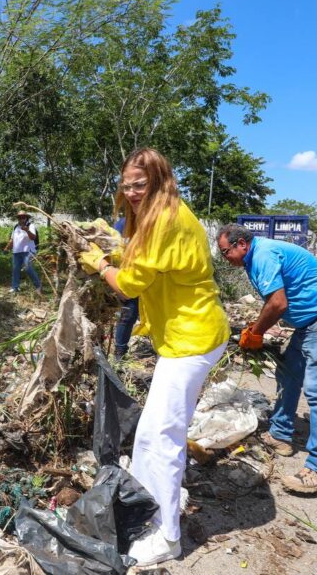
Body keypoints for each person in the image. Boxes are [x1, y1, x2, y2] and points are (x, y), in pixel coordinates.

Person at [78, 148, 229, 566]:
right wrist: (113, 252)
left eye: (140, 184)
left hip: (193, 338)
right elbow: (142, 264)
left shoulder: (165, 218)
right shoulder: (157, 217)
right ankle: (153, 504)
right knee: (156, 433)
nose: (132, 192)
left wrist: (99, 264)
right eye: (126, 185)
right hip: (185, 337)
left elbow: (128, 285)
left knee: (158, 436)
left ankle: (166, 536)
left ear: (161, 181)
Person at [217, 224, 317, 495]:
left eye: (225, 252)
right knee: (289, 373)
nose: (225, 258)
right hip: (312, 322)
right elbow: (277, 301)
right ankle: (280, 434)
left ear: (241, 245)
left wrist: (256, 333)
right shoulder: (258, 255)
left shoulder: (263, 254)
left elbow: (278, 303)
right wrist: (259, 326)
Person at [112, 216, 139, 360]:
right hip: (128, 277)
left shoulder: (155, 223)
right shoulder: (122, 225)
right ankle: (119, 352)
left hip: (151, 277)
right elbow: (113, 252)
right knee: (128, 314)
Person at [4, 210, 42, 295]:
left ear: (26, 218)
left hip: (28, 251)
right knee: (15, 269)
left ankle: (38, 286)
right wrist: (6, 248)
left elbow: (33, 237)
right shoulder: (16, 227)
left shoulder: (30, 226)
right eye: (20, 217)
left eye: (23, 217)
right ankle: (15, 287)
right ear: (18, 218)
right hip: (16, 252)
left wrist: (27, 230)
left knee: (28, 268)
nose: (21, 219)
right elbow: (12, 240)